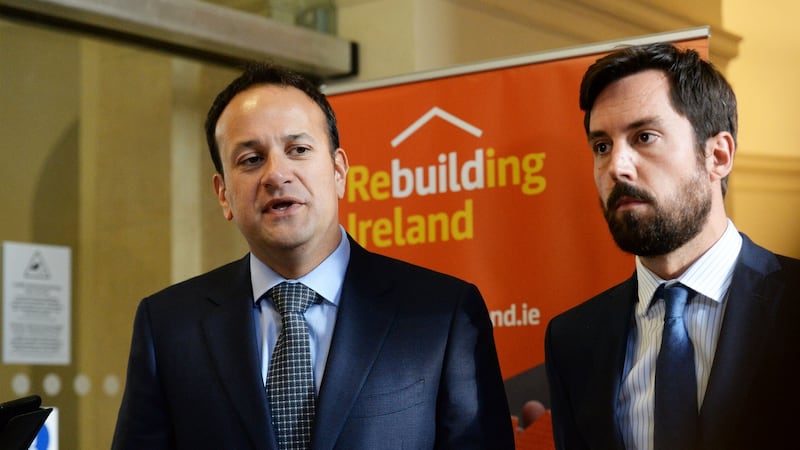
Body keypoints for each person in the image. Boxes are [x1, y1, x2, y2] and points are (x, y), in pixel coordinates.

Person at [111, 62, 514, 450]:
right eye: (250, 159)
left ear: (339, 171)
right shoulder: (168, 326)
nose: (276, 174)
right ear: (223, 194)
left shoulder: (443, 314)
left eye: (299, 149)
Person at [544, 42, 800, 450]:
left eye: (644, 137)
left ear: (718, 154)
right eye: (602, 146)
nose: (616, 167)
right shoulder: (573, 340)